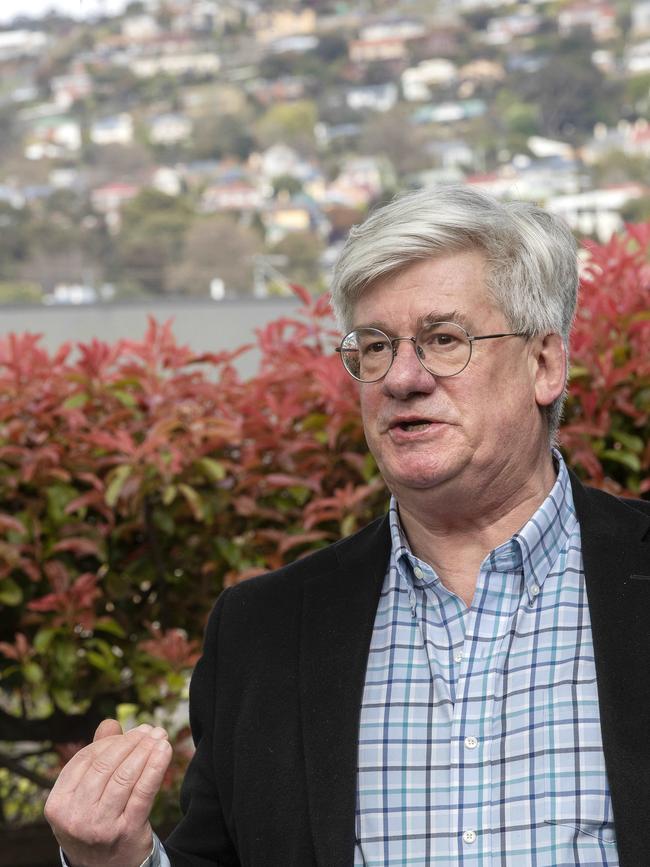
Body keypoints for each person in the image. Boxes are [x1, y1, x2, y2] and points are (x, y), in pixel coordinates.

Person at [45, 186, 650, 867]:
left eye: (444, 339)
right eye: (375, 346)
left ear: (544, 363)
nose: (403, 378)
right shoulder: (263, 631)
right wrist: (116, 859)